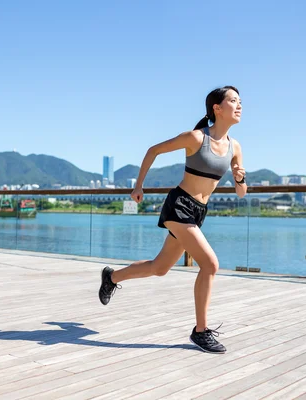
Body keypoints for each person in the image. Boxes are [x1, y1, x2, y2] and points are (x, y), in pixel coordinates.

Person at [98, 86, 247, 354]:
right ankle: (200, 331)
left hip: (199, 212)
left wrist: (239, 177)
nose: (240, 105)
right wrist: (138, 186)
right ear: (217, 108)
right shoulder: (195, 138)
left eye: (240, 101)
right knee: (211, 264)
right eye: (233, 101)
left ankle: (111, 277)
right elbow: (153, 150)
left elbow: (241, 192)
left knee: (160, 267)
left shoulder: (235, 147)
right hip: (179, 205)